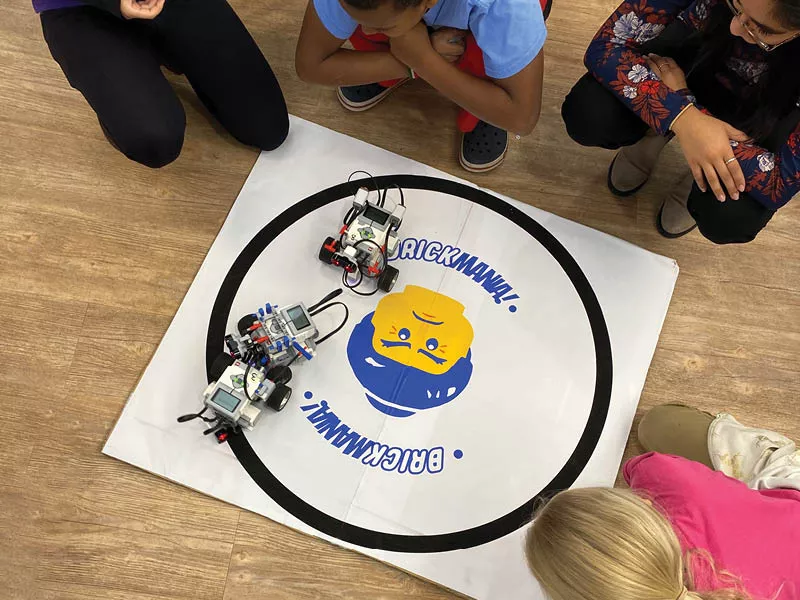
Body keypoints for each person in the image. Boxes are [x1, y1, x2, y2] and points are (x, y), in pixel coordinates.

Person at [561, 0, 800, 243]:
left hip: (763, 110)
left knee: (730, 217)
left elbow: (778, 184)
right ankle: (665, 138)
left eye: (761, 30)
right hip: (693, 56)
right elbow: (607, 46)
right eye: (734, 3)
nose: (735, 27)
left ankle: (696, 168)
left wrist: (682, 108)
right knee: (591, 112)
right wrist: (682, 116)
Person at [526, 404, 800, 600]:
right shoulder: (666, 482)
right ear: (645, 505)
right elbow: (640, 468)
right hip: (789, 501)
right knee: (658, 423)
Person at [294, 0, 549, 173]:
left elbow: (522, 118)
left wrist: (423, 59)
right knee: (377, 25)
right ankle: (392, 59)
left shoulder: (507, 7)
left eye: (381, 26)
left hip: (486, 21)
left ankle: (484, 114)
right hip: (414, 20)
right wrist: (408, 62)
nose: (369, 31)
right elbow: (310, 66)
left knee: (491, 64)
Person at [35, 0, 289, 168]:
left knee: (268, 127)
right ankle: (121, 84)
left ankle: (165, 48)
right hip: (78, 8)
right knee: (154, 137)